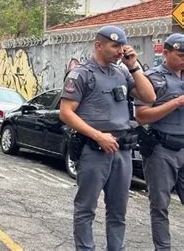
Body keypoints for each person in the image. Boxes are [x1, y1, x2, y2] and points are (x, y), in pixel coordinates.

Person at [59, 25, 156, 251]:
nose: (120, 51)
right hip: (93, 150)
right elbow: (66, 113)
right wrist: (97, 135)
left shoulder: (122, 73)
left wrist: (134, 67)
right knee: (86, 209)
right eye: (115, 46)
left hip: (121, 151)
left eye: (122, 45)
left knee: (118, 211)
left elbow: (149, 96)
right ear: (98, 45)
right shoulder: (81, 74)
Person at [135, 33, 184, 251]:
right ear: (165, 53)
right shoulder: (151, 78)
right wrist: (177, 102)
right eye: (180, 55)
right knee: (160, 206)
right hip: (161, 149)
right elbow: (142, 115)